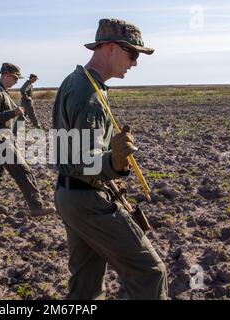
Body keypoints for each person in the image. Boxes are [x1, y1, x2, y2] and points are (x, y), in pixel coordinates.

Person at [52, 18, 168, 300]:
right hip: (88, 198)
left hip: (72, 194)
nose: (135, 62)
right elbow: (84, 161)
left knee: (86, 285)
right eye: (133, 54)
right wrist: (115, 163)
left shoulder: (80, 81)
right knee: (150, 272)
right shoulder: (88, 93)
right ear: (111, 48)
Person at [0, 63, 55, 221]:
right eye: (14, 78)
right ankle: (36, 207)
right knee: (23, 171)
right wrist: (13, 112)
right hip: (1, 141)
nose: (16, 81)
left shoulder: (2, 92)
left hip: (0, 140)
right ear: (5, 74)